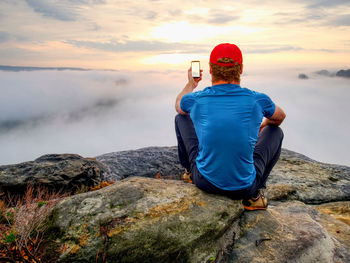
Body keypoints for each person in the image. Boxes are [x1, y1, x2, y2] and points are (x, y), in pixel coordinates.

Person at [174, 43, 285, 210]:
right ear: (240, 69)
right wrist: (265, 124)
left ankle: (190, 173)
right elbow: (280, 117)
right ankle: (254, 196)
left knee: (180, 118)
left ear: (211, 70)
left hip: (204, 181)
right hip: (244, 187)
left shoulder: (196, 99)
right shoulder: (258, 99)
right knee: (276, 131)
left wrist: (191, 84)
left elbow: (178, 106)